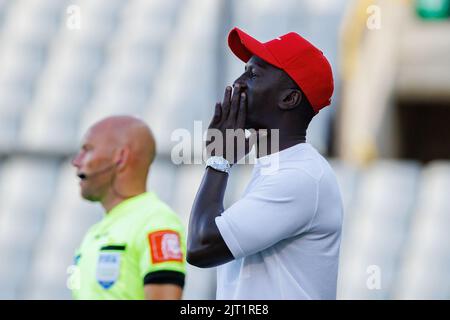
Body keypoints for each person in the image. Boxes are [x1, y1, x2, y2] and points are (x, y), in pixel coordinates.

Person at [187, 27, 343, 299]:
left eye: (253, 75)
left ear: (289, 98)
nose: (238, 83)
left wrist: (219, 160)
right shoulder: (279, 169)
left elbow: (201, 246)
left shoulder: (300, 176)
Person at [71, 115, 186, 300]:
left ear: (120, 157)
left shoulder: (156, 221)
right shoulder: (96, 231)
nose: (76, 161)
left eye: (87, 150)